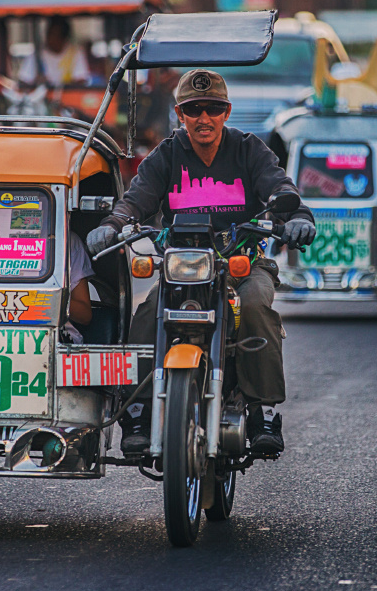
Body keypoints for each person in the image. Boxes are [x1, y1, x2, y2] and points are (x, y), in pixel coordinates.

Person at [86, 69, 316, 456]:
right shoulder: (166, 155)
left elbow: (281, 188)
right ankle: (138, 411)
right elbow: (136, 200)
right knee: (146, 315)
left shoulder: (249, 149)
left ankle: (262, 411)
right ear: (180, 113)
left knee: (257, 305)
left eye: (213, 109)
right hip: (183, 268)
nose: (203, 118)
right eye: (194, 109)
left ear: (226, 112)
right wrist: (112, 225)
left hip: (243, 263)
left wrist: (297, 218)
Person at [16, 16, 91, 87]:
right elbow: (23, 81)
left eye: (54, 34)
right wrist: (36, 82)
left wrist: (66, 86)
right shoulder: (37, 54)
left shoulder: (75, 52)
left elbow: (82, 80)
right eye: (49, 33)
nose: (49, 38)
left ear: (64, 38)